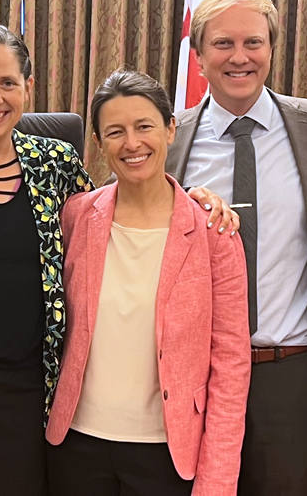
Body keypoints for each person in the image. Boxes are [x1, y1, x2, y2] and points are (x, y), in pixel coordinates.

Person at [0, 26, 235, 494]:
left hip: (26, 405)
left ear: (28, 88)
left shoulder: (55, 164)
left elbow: (115, 216)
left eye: (7, 83)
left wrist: (195, 199)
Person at [165, 0, 307, 496]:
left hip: (289, 372)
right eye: (223, 44)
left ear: (272, 49)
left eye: (254, 43)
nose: (240, 57)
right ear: (198, 57)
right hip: (194, 374)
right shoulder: (167, 138)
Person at [46, 70, 252, 496]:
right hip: (76, 445)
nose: (132, 143)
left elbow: (231, 367)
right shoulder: (75, 217)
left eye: (144, 127)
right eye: (116, 132)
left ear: (170, 129)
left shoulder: (214, 232)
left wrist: (217, 482)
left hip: (167, 452)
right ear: (100, 145)